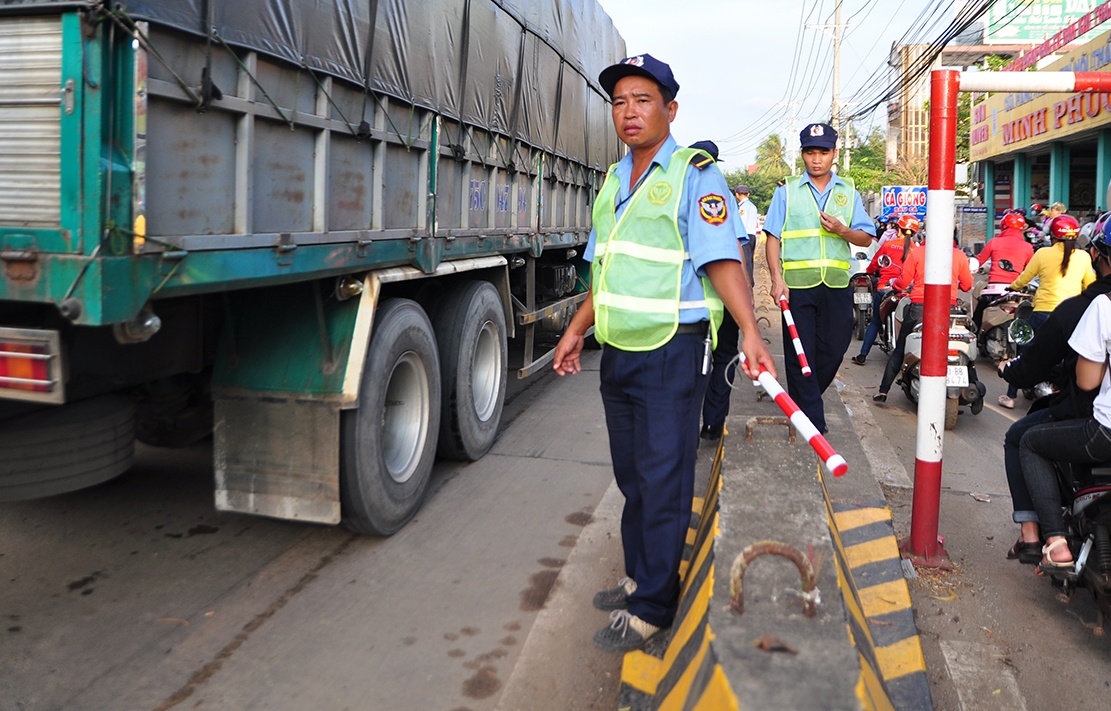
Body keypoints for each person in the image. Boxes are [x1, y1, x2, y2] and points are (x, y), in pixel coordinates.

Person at [551, 54, 775, 653]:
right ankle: (638, 576)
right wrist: (576, 330)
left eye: (642, 100)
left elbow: (722, 260)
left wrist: (750, 331)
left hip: (674, 350)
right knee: (632, 476)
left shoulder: (695, 176)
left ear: (669, 109)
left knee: (665, 475)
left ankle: (653, 605)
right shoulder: (611, 180)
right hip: (619, 349)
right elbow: (604, 270)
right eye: (619, 101)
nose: (629, 111)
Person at [998, 218, 1111, 563]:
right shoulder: (1085, 284)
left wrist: (1012, 372)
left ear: (1096, 254)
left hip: (1094, 419)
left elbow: (1085, 381)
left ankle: (1042, 538)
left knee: (1022, 437)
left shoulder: (1097, 307)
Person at [763, 122, 875, 433]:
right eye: (810, 152)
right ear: (802, 155)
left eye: (823, 152)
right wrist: (776, 278)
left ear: (834, 154)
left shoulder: (848, 191)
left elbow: (866, 238)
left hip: (837, 285)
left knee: (835, 348)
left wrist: (843, 230)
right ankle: (813, 420)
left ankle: (802, 401)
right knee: (801, 355)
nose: (816, 159)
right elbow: (773, 237)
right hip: (797, 287)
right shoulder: (786, 192)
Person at [1019, 290, 1111, 569]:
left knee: (1030, 442)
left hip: (1104, 433)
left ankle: (1056, 543)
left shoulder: (1104, 304)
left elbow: (1086, 381)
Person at [689, 143, 754, 442]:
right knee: (725, 356)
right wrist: (745, 294)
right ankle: (713, 423)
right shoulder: (722, 196)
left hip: (688, 299)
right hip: (722, 297)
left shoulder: (675, 190)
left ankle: (689, 422)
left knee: (692, 362)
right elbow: (738, 246)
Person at [999, 213, 1095, 408]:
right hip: (1072, 318)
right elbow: (1090, 285)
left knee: (1023, 349)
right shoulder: (1084, 257)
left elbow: (1024, 278)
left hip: (1042, 314)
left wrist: (1013, 287)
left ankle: (1010, 396)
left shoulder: (1043, 254)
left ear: (1052, 235)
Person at [872, 232, 972, 403]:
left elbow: (903, 282)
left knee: (901, 348)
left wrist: (895, 285)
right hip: (949, 309)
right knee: (964, 347)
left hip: (919, 308)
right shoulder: (959, 255)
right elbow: (968, 284)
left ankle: (883, 391)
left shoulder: (918, 253)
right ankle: (974, 385)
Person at [850, 214, 919, 365]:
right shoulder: (916, 250)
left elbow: (875, 264)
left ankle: (863, 355)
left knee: (875, 321)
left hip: (885, 289)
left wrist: (868, 271)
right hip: (906, 292)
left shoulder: (888, 245)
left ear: (898, 229)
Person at [972, 210, 1034, 329]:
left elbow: (979, 260)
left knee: (978, 316)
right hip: (1017, 290)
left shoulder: (994, 242)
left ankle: (976, 333)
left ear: (1003, 226)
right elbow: (1031, 268)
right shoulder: (1028, 247)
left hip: (994, 291)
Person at [733, 184, 759, 291]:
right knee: (749, 260)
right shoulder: (752, 206)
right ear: (748, 194)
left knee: (745, 260)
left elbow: (741, 224)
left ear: (737, 195)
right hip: (752, 235)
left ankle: (748, 284)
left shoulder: (743, 208)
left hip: (745, 236)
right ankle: (749, 283)